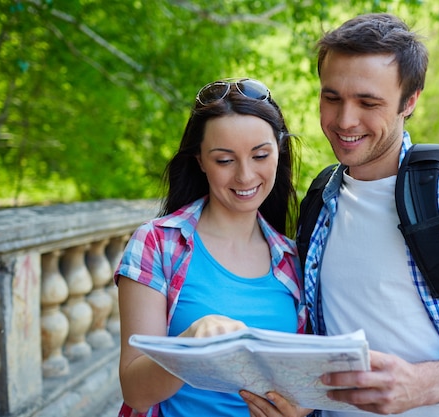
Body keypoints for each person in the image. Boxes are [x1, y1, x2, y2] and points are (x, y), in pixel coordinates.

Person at [242, 13, 439, 417]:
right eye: (332, 98)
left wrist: (420, 386)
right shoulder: (321, 197)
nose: (345, 120)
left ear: (411, 101)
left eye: (368, 103)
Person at [114, 77, 307, 417]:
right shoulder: (158, 244)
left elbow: (305, 388)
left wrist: (298, 410)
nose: (245, 176)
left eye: (260, 155)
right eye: (224, 160)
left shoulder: (294, 260)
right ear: (200, 160)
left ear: (279, 151)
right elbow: (135, 390)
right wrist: (190, 344)